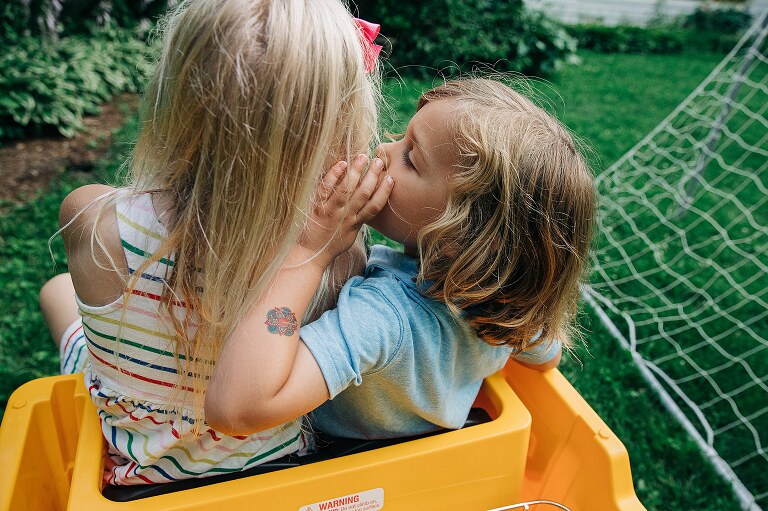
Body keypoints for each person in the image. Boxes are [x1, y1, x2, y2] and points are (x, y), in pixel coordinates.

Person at [38, 0, 388, 484]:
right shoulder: (335, 256)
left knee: (57, 291)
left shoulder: (92, 219)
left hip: (136, 481)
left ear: (174, 93)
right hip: (275, 474)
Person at [205, 78, 596, 440]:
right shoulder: (504, 303)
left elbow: (238, 409)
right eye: (399, 138)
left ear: (459, 237)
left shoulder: (383, 317)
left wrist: (309, 253)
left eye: (410, 158)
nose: (384, 150)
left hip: (333, 466)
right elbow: (548, 356)